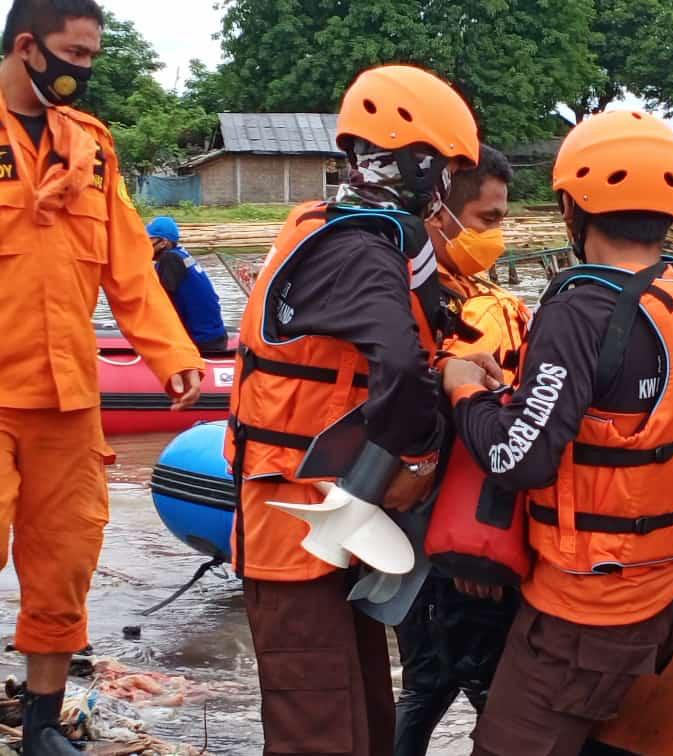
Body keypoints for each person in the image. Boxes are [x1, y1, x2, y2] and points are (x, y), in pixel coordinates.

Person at [441, 110, 673, 756]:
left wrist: (464, 390)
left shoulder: (581, 312)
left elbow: (517, 454)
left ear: (573, 209)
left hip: (588, 610)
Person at [223, 63, 489, 756]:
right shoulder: (356, 247)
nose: (447, 189)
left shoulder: (356, 232)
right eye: (446, 171)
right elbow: (399, 370)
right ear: (416, 160)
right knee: (314, 724)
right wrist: (424, 455)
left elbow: (393, 359)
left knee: (364, 711)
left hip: (331, 513)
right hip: (295, 523)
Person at [0, 2, 205, 753]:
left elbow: (128, 266)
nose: (83, 70)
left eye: (91, 56)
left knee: (66, 561)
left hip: (69, 399)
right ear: (27, 46)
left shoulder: (90, 148)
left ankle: (43, 726)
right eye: (73, 54)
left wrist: (174, 355)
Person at [394, 144, 531, 756]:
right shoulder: (416, 304)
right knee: (445, 682)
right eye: (487, 220)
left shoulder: (471, 295)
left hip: (452, 531)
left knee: (436, 682)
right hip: (444, 536)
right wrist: (474, 552)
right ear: (439, 215)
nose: (497, 235)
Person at [147, 215, 228, 354]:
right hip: (214, 335)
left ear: (163, 242)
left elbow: (161, 303)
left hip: (202, 341)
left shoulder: (169, 259)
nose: (145, 244)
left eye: (149, 239)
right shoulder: (180, 254)